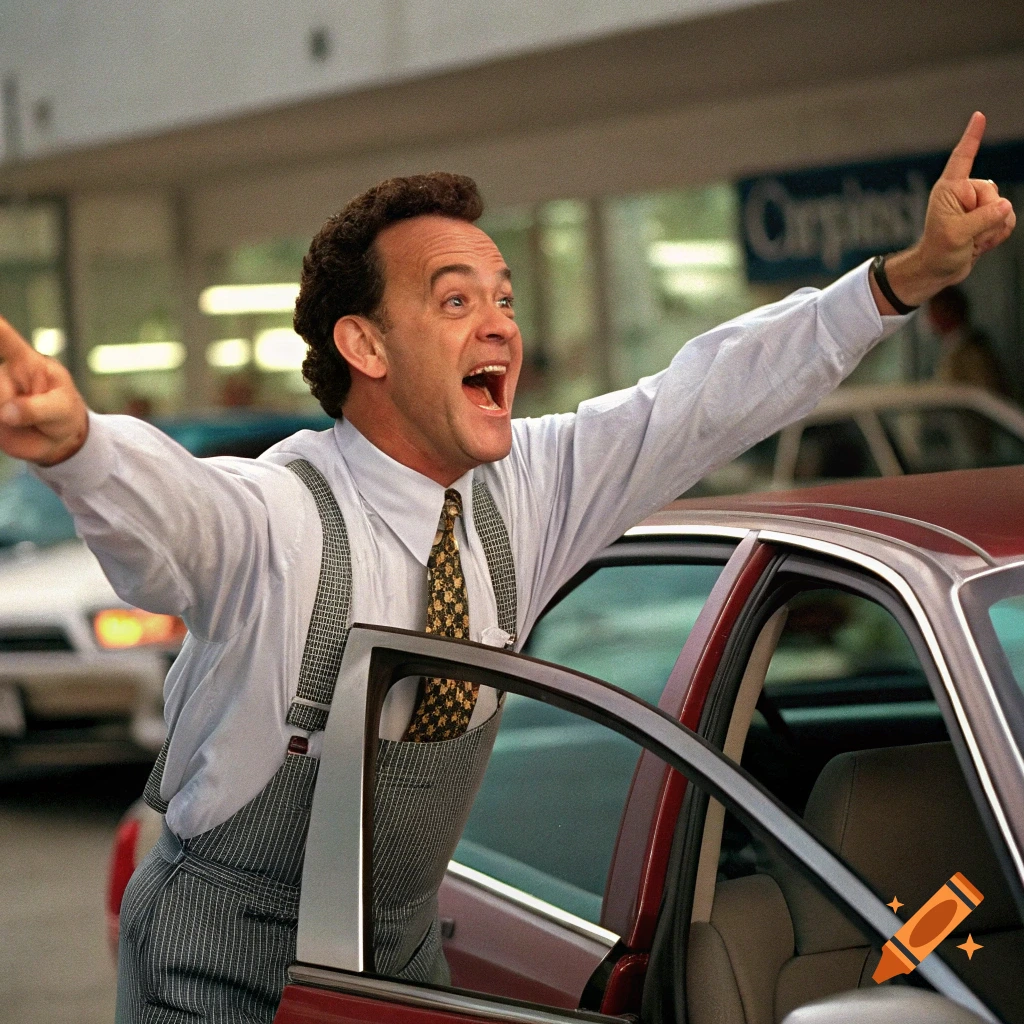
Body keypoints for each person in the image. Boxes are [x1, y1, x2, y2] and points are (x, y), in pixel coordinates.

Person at [0, 112, 1015, 1023]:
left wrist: (901, 280)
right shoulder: (283, 513)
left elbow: (707, 394)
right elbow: (178, 518)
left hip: (391, 953)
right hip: (218, 971)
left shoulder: (530, 485)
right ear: (366, 344)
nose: (500, 324)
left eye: (504, 297)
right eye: (454, 301)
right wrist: (79, 445)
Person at [928, 283, 1007, 395]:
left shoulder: (973, 354)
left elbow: (985, 396)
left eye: (933, 310)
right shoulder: (953, 348)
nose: (929, 318)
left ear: (947, 312)